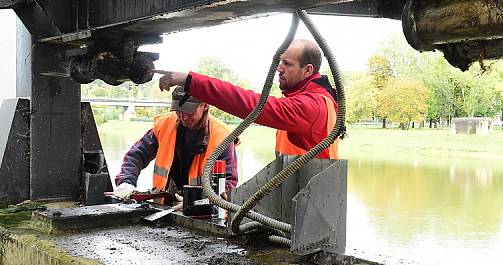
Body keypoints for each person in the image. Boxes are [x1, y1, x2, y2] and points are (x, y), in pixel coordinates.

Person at [156, 39, 339, 159]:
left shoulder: (312, 105)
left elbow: (251, 104)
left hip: (308, 204)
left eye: (287, 64)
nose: (278, 68)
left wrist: (190, 81)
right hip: (301, 197)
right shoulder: (314, 99)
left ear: (307, 70)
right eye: (280, 61)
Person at [113, 86, 238, 200]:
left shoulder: (222, 136)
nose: (183, 117)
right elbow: (137, 155)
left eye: (189, 112)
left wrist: (195, 201)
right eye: (179, 111)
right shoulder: (164, 125)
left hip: (202, 213)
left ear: (204, 106)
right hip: (162, 207)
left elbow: (228, 183)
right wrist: (126, 181)